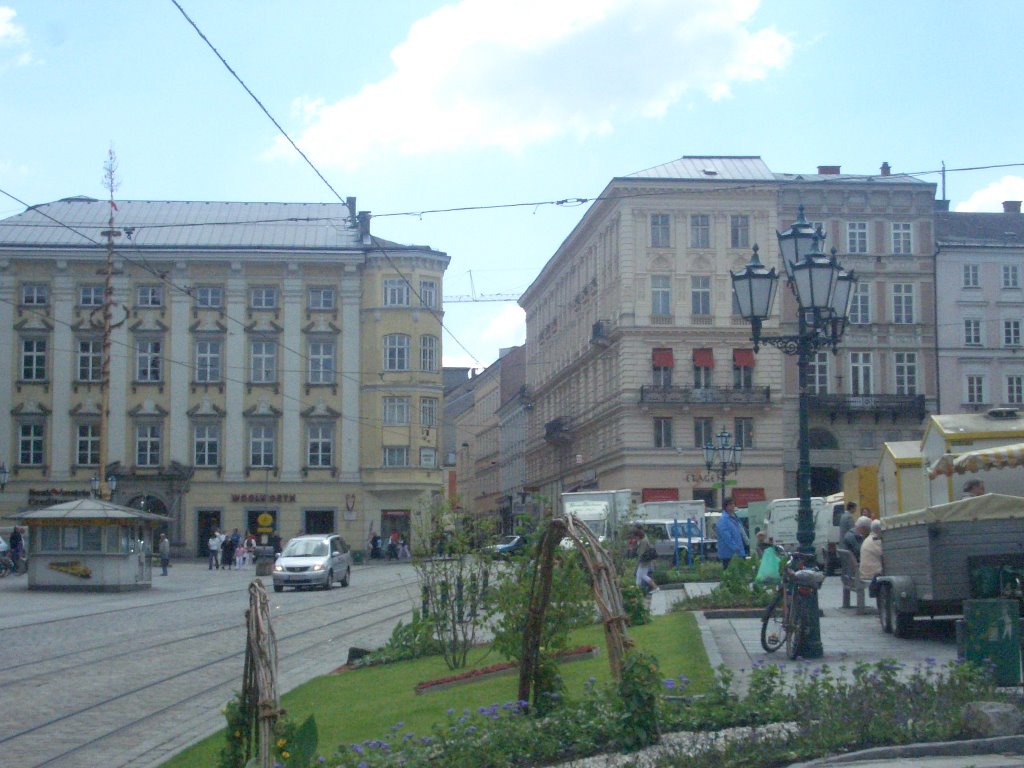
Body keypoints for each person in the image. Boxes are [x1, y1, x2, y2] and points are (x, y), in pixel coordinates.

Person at [716, 498, 747, 570]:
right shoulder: (723, 520)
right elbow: (726, 536)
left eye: (733, 504)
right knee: (730, 575)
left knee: (741, 574)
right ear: (725, 506)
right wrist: (735, 547)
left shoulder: (735, 517)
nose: (733, 506)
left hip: (739, 552)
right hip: (729, 554)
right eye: (730, 504)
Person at [633, 526, 659, 594]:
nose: (635, 538)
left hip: (644, 561)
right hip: (645, 561)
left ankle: (655, 587)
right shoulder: (644, 540)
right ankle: (637, 590)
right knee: (639, 575)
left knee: (643, 575)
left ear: (638, 536)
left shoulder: (643, 542)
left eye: (636, 537)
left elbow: (641, 553)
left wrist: (637, 563)